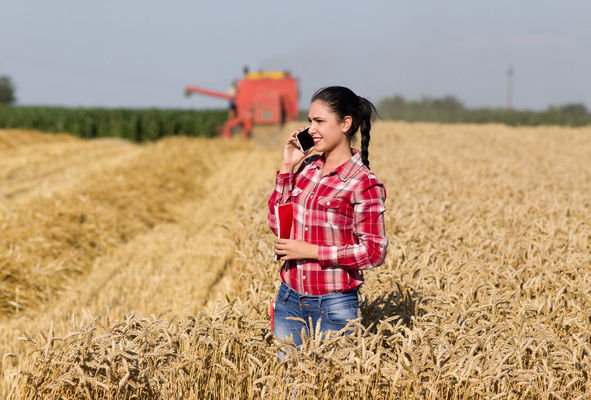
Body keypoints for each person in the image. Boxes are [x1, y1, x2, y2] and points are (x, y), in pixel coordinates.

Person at [268, 86, 388, 359]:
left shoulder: (363, 183)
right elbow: (277, 226)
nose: (311, 129)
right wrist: (287, 168)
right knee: (286, 386)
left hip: (334, 307)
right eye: (310, 121)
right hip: (288, 299)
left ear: (346, 123)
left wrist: (311, 252)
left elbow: (374, 251)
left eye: (320, 121)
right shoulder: (307, 169)